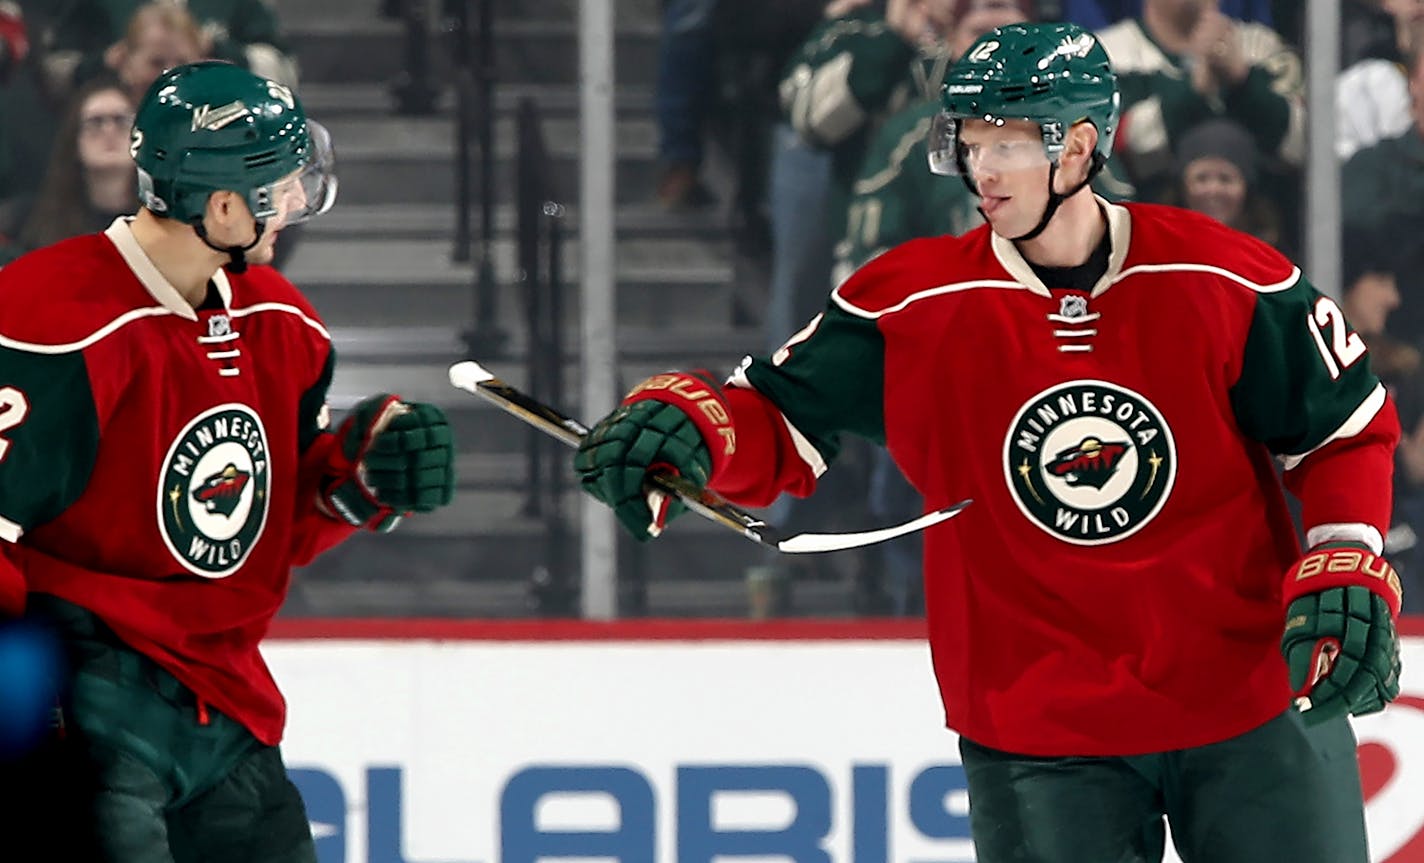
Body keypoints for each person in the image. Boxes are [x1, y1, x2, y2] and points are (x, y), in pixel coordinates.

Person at [575, 22, 1401, 862]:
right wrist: (698, 434)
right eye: (968, 142)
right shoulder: (909, 299)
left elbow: (1344, 429)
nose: (982, 169)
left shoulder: (1225, 278)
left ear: (1080, 146)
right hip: (1041, 725)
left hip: (1249, 700)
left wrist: (1343, 545)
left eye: (1006, 142)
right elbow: (780, 426)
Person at [0, 61, 456, 861]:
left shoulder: (284, 323)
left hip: (228, 710)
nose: (292, 204)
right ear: (220, 204)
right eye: (279, 185)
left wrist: (356, 481)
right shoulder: (49, 325)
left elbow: (258, 532)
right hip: (89, 701)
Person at [0, 75, 136, 264]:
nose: (109, 130)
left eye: (121, 120)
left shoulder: (164, 219)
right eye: (96, 122)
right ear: (75, 140)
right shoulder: (32, 221)